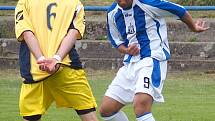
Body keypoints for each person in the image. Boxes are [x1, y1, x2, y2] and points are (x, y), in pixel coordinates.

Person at [99, 0, 209, 121]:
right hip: (130, 64)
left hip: (152, 59)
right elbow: (117, 41)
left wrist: (193, 27)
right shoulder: (112, 13)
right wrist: (126, 50)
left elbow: (179, 10)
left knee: (141, 106)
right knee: (107, 110)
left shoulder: (147, 3)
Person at [15, 0, 98, 121]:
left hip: (35, 69)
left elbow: (27, 33)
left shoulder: (24, 2)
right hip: (66, 65)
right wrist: (57, 58)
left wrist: (41, 59)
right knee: (88, 115)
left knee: (30, 117)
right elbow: (73, 33)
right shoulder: (75, 3)